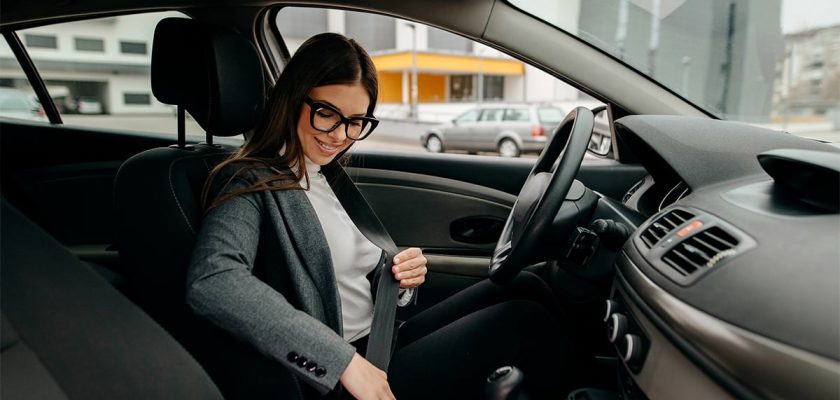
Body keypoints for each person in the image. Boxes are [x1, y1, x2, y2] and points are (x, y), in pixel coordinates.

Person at [186, 32, 587, 400]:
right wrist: (341, 361)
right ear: (293, 98)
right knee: (524, 322)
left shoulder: (325, 175)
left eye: (356, 122)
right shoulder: (249, 182)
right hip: (342, 373)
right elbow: (214, 281)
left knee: (529, 283)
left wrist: (399, 276)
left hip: (382, 338)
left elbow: (354, 277)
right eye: (327, 113)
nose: (341, 136)